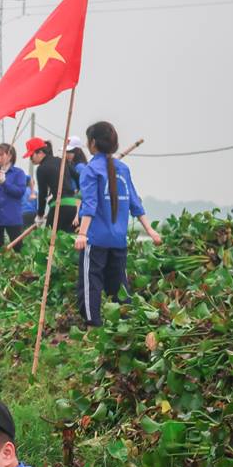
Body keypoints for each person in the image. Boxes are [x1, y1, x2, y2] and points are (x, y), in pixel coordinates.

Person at [76, 121, 162, 327]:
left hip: (96, 238)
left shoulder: (90, 170)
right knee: (118, 283)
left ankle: (92, 325)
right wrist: (150, 230)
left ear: (93, 143)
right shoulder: (122, 168)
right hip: (118, 239)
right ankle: (126, 324)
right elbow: (135, 202)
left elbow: (90, 204)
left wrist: (82, 234)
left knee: (91, 281)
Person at [25, 137, 77, 234]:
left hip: (59, 207)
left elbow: (42, 194)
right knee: (68, 239)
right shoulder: (61, 161)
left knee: (50, 239)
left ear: (40, 152)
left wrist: (40, 215)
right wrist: (77, 191)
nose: (30, 159)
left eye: (31, 155)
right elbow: (77, 176)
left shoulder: (41, 169)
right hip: (72, 206)